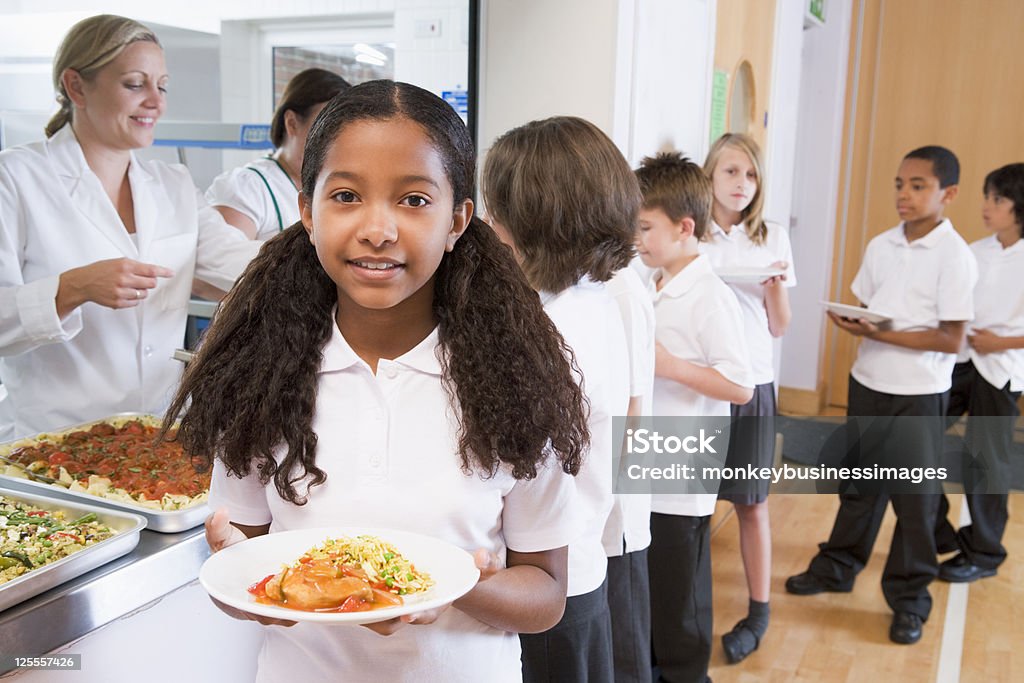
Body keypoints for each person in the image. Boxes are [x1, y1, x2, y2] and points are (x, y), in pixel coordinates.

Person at [164, 80, 591, 683]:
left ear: (458, 220)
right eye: (345, 195)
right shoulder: (259, 380)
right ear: (308, 213)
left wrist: (454, 587)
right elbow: (237, 582)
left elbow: (545, 595)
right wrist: (249, 583)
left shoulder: (514, 385)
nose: (378, 229)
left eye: (414, 200)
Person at [0, 14, 260, 440]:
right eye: (135, 84)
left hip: (158, 433)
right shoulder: (16, 177)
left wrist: (331, 239)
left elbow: (240, 265)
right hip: (50, 440)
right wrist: (71, 289)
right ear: (76, 86)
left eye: (162, 86)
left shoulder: (171, 185)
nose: (156, 102)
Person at [786, 146, 976, 645]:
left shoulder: (956, 256)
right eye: (899, 184)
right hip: (868, 382)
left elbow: (952, 340)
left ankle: (910, 597)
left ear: (947, 194)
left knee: (915, 501)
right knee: (860, 487)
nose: (904, 195)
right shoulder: (881, 245)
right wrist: (857, 322)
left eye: (918, 185)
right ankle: (838, 566)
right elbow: (870, 307)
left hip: (919, 395)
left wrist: (881, 332)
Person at [482, 116, 634, 683]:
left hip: (545, 585)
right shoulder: (594, 300)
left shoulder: (549, 330)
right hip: (578, 570)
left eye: (495, 212)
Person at [635, 151, 754, 683]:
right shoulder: (651, 280)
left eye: (645, 227)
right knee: (654, 583)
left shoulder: (710, 296)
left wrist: (671, 366)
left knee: (681, 590)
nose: (637, 239)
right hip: (648, 457)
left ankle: (687, 674)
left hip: (684, 465)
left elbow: (740, 386)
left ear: (685, 227)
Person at [700, 133, 795, 663]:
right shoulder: (692, 234)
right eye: (732, 172)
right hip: (699, 384)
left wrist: (774, 284)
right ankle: (685, 609)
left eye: (751, 175)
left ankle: (759, 610)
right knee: (688, 508)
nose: (741, 184)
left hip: (753, 383)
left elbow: (779, 326)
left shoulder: (772, 237)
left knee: (751, 504)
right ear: (710, 175)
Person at [934, 162, 1024, 582]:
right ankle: (938, 532)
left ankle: (984, 553)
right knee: (918, 437)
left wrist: (1000, 343)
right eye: (987, 196)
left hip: (1001, 368)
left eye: (998, 199)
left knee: (986, 464)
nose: (987, 206)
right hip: (961, 362)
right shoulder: (976, 251)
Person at [206, 68, 350, 240]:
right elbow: (226, 261)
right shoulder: (247, 187)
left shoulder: (337, 187)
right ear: (292, 123)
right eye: (327, 127)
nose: (337, 140)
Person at [602, 257, 656, 683]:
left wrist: (604, 493)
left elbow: (632, 409)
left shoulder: (621, 288)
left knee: (625, 644)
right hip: (591, 503)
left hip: (615, 504)